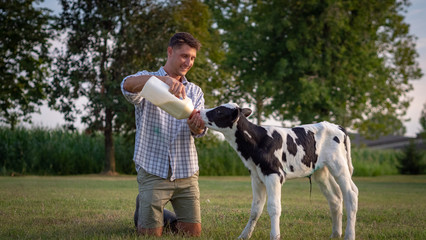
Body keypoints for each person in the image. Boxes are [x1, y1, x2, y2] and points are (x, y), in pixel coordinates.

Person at [121, 32, 206, 237]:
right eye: (184, 56)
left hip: (186, 171)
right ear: (170, 52)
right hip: (153, 169)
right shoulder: (148, 79)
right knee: (150, 235)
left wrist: (197, 127)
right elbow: (126, 85)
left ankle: (156, 212)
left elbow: (200, 131)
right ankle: (144, 209)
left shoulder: (195, 91)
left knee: (192, 234)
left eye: (192, 58)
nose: (188, 62)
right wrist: (163, 81)